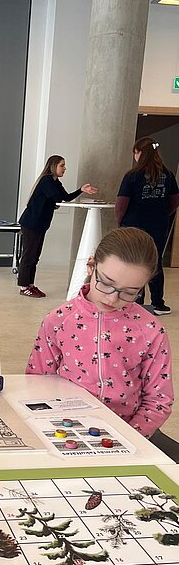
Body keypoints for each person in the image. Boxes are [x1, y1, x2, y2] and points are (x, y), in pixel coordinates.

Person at [26, 227, 173, 440]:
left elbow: (159, 400)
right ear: (91, 266)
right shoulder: (58, 320)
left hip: (127, 435)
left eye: (130, 292)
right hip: (63, 430)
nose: (112, 299)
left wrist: (128, 437)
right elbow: (36, 382)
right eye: (106, 283)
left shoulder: (151, 330)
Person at [17, 155, 97, 298]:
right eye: (62, 165)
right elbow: (57, 197)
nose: (65, 168)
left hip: (40, 224)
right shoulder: (47, 181)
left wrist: (81, 189)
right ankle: (23, 287)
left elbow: (66, 197)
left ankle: (30, 285)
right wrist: (55, 201)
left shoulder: (55, 182)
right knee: (29, 256)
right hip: (31, 223)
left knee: (35, 256)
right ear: (53, 166)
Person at [116, 137, 179, 316]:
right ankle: (158, 303)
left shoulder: (132, 176)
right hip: (158, 225)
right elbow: (175, 201)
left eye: (135, 152)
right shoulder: (168, 175)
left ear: (140, 153)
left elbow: (121, 204)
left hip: (133, 225)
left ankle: (136, 299)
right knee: (155, 262)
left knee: (134, 261)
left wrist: (120, 222)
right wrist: (162, 213)